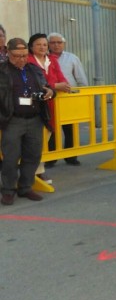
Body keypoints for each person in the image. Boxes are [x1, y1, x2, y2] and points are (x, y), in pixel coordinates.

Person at [0, 38, 55, 205]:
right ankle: (8, 190)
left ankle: (25, 187)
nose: (21, 59)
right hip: (12, 119)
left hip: (35, 119)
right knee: (10, 157)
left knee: (32, 155)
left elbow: (48, 87)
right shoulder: (2, 71)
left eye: (24, 55)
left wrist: (49, 91)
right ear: (8, 53)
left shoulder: (34, 70)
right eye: (17, 56)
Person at [27, 33, 69, 179]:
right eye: (38, 44)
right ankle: (35, 173)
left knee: (46, 138)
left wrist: (62, 85)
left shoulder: (52, 59)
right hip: (34, 105)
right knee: (35, 140)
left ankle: (38, 171)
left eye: (45, 44)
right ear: (31, 46)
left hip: (52, 103)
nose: (42, 47)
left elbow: (62, 78)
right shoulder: (28, 61)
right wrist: (56, 85)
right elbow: (36, 83)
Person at [48, 32, 88, 166]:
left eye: (59, 42)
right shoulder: (44, 58)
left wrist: (83, 96)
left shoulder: (72, 58)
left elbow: (81, 79)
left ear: (64, 44)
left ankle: (71, 156)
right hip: (51, 98)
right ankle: (51, 158)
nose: (56, 45)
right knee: (51, 129)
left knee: (70, 128)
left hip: (69, 99)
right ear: (48, 44)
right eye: (53, 42)